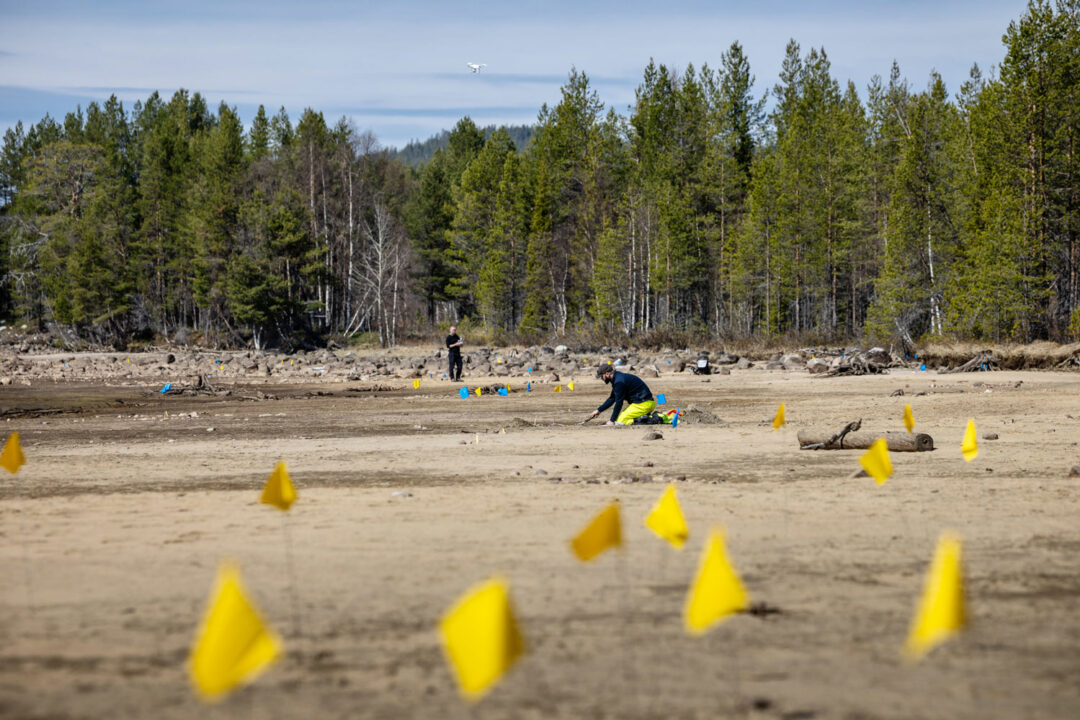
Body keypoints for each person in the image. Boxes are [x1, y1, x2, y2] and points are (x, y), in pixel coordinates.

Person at [589, 363, 667, 426]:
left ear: (606, 373)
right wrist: (598, 410)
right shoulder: (617, 378)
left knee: (621, 421)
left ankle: (656, 418)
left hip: (644, 404)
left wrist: (612, 421)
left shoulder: (619, 382)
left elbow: (619, 403)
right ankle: (644, 417)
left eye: (601, 377)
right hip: (642, 404)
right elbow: (612, 398)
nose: (601, 379)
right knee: (620, 419)